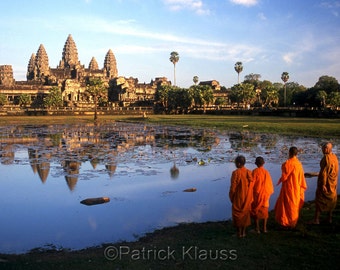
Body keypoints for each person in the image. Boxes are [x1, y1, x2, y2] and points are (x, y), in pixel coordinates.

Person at [275, 146, 307, 229]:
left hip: (288, 188)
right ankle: (292, 223)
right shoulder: (299, 164)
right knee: (294, 205)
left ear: (289, 153)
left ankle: (285, 222)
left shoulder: (286, 164)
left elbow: (284, 176)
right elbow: (301, 177)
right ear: (296, 154)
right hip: (297, 188)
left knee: (286, 205)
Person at [311, 142, 338, 224]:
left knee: (320, 199)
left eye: (323, 148)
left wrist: (323, 184)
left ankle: (316, 219)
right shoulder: (334, 157)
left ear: (327, 149)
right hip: (333, 182)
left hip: (325, 183)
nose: (322, 150)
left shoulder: (326, 158)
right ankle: (329, 218)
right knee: (331, 199)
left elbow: (324, 173)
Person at [229, 155, 254, 238]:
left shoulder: (236, 173)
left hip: (238, 197)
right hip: (247, 196)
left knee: (237, 214)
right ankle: (243, 232)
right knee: (245, 213)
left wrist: (231, 197)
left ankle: (239, 233)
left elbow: (233, 187)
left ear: (239, 163)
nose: (235, 164)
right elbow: (251, 185)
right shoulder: (249, 172)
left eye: (235, 162)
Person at [251, 157, 274, 233]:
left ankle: (257, 229)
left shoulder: (254, 172)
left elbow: (251, 184)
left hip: (257, 195)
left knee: (256, 210)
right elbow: (270, 185)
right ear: (263, 163)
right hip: (265, 194)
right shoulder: (266, 172)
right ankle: (264, 228)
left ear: (255, 163)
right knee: (265, 210)